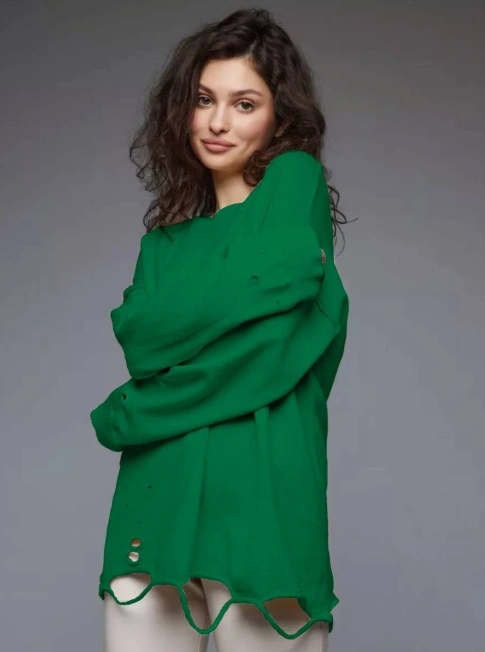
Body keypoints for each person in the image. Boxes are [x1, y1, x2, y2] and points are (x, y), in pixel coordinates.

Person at [90, 7, 350, 652]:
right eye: (204, 99)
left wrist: (132, 411)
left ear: (279, 119)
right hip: (155, 502)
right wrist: (220, 312)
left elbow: (266, 353)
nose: (216, 122)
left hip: (262, 502)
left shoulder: (295, 182)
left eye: (244, 104)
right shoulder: (162, 246)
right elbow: (139, 337)